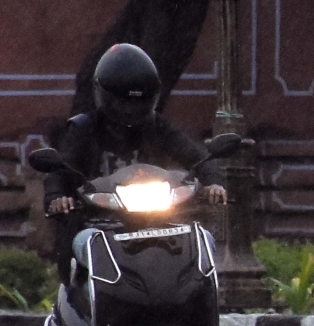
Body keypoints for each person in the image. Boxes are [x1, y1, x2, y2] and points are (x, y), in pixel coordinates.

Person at [44, 43, 226, 282]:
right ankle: (84, 304)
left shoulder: (157, 126)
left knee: (202, 241)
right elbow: (60, 169)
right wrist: (58, 197)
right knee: (82, 245)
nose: (130, 110)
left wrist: (213, 182)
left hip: (158, 222)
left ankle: (198, 305)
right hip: (96, 222)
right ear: (104, 95)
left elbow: (197, 156)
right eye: (122, 102)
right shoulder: (84, 129)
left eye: (138, 102)